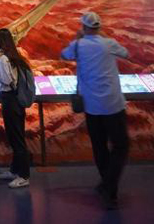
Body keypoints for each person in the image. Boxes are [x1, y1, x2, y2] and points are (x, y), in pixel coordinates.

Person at [60, 11, 130, 210]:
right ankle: (109, 186)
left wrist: (77, 39)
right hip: (113, 104)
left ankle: (107, 185)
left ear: (83, 27)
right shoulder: (109, 44)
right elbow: (126, 53)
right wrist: (104, 37)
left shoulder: (78, 45)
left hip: (92, 106)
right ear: (99, 27)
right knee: (121, 146)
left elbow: (64, 55)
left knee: (99, 147)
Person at [0, 28, 31, 188]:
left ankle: (24, 175)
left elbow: (8, 80)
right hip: (16, 101)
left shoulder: (3, 59)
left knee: (16, 138)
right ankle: (15, 170)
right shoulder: (16, 57)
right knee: (17, 135)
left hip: (9, 100)